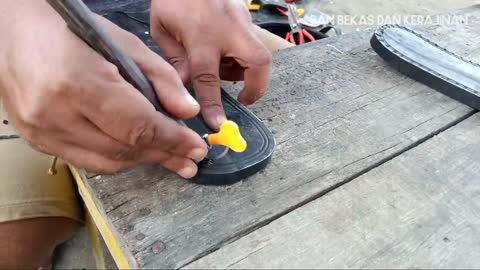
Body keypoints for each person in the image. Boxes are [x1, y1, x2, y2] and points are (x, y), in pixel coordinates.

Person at [0, 0, 293, 268]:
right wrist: (12, 23)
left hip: (154, 14)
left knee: (290, 67)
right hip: (21, 33)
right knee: (14, 243)